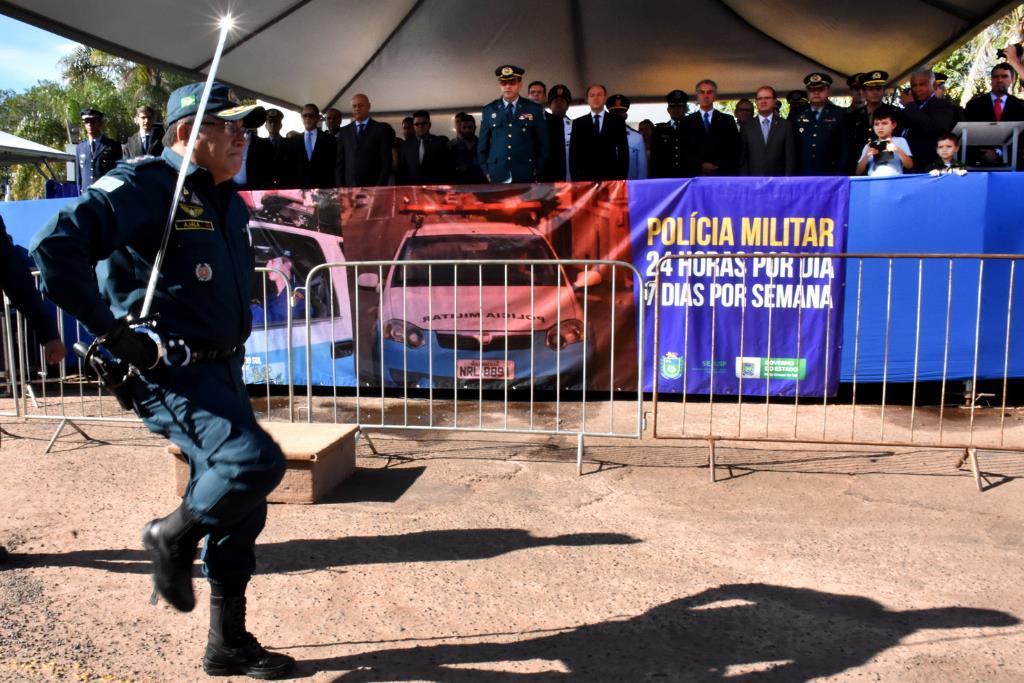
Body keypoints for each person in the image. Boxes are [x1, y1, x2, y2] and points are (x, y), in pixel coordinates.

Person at [29, 82, 294, 679]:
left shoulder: (226, 197)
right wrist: (111, 332)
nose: (240, 134)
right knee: (252, 464)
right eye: (227, 125)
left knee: (242, 506)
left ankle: (227, 644)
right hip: (167, 371)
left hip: (223, 369)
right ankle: (169, 537)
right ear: (184, 132)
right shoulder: (150, 182)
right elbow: (55, 246)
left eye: (244, 125)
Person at [478, 64, 549, 183]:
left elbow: (544, 143)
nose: (508, 86)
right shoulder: (489, 110)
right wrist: (486, 170)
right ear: (499, 85)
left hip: (525, 171)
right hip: (497, 171)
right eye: (503, 83)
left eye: (512, 82)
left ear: (520, 84)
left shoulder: (533, 109)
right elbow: (482, 146)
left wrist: (537, 169)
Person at [963, 63, 1024, 167]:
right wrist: (983, 153)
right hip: (980, 163)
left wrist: (998, 153)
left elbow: (1021, 139)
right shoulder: (974, 105)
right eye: (995, 77)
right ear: (991, 80)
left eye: (1004, 76)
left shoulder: (1021, 106)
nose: (999, 80)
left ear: (1012, 80)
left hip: (1013, 164)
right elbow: (967, 134)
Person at [900, 69, 961, 172]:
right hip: (908, 165)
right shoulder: (911, 107)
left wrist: (910, 105)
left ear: (934, 85)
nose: (918, 89)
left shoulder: (942, 105)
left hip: (931, 166)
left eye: (922, 85)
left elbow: (931, 126)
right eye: (914, 85)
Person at [569, 84, 629, 181]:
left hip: (610, 180)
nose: (596, 98)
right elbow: (573, 155)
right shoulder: (578, 123)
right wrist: (576, 181)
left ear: (605, 98)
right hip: (585, 180)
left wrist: (621, 178)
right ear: (587, 99)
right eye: (592, 95)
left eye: (599, 95)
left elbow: (623, 152)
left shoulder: (617, 121)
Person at [792, 72, 848, 175]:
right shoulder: (796, 113)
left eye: (821, 89)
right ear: (807, 92)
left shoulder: (839, 113)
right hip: (802, 172)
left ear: (828, 91)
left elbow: (844, 147)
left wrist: (840, 174)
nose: (816, 93)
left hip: (830, 172)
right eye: (812, 90)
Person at [334, 93, 395, 187]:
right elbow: (340, 163)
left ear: (368, 106)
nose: (357, 108)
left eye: (361, 105)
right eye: (354, 106)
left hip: (373, 187)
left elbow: (386, 162)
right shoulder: (344, 131)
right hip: (350, 189)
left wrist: (380, 187)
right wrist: (341, 188)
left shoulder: (381, 129)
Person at [682, 79, 739, 176]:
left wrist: (716, 166)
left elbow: (733, 149)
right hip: (695, 175)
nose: (705, 96)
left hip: (721, 174)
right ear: (697, 95)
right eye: (702, 92)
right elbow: (684, 150)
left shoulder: (727, 120)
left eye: (709, 92)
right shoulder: (686, 122)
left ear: (715, 95)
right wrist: (700, 165)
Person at [739, 86, 796, 176]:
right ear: (756, 102)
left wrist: (787, 181)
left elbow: (790, 159)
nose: (763, 101)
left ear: (774, 101)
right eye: (760, 98)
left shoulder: (785, 125)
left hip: (779, 182)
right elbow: (743, 159)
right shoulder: (747, 127)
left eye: (767, 98)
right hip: (754, 182)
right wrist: (745, 182)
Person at [289, 103, 337, 189]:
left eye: (311, 115)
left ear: (318, 118)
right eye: (304, 116)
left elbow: (334, 167)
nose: (307, 118)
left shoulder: (330, 139)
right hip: (299, 191)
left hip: (324, 191)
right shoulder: (293, 141)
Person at [397, 110, 452, 185]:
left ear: (429, 125)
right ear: (413, 126)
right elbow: (403, 170)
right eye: (417, 124)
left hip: (434, 187)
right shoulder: (406, 145)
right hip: (413, 188)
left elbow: (446, 168)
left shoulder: (439, 142)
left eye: (423, 123)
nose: (420, 126)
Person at [856, 105, 912, 177]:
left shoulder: (900, 141)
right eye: (876, 124)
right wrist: (867, 156)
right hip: (874, 182)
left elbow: (909, 165)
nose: (880, 127)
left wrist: (897, 149)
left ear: (893, 125)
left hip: (894, 181)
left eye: (884, 123)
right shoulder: (869, 146)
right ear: (873, 127)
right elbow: (858, 172)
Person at [75, 108, 122, 192]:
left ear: (100, 123)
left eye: (93, 121)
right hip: (87, 196)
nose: (89, 124)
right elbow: (79, 177)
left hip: (105, 195)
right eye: (86, 121)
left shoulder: (112, 145)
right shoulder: (80, 148)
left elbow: (118, 173)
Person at [251, 252, 304, 325]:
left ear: (287, 265)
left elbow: (283, 320)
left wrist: (254, 310)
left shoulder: (296, 292)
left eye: (272, 261)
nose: (267, 266)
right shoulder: (272, 296)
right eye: (267, 262)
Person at [649, 89, 691, 178]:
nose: (675, 109)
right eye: (672, 106)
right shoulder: (659, 130)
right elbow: (655, 158)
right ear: (668, 109)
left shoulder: (693, 128)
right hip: (665, 177)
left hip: (688, 177)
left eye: (679, 107)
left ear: (685, 109)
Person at [607, 94, 648, 180]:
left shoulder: (636, 138)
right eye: (614, 113)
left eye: (620, 113)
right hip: (607, 189)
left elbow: (642, 171)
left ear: (625, 116)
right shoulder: (599, 137)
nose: (617, 116)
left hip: (630, 189)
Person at [542, 84, 573, 182]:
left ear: (568, 106)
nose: (559, 103)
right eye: (555, 101)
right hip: (549, 178)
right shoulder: (542, 126)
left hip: (572, 177)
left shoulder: (575, 126)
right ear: (550, 105)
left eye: (563, 101)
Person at [449, 112, 488, 184]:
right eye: (464, 128)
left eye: (470, 127)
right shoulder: (451, 146)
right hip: (459, 185)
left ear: (475, 127)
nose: (467, 130)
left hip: (480, 184)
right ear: (460, 129)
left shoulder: (483, 145)